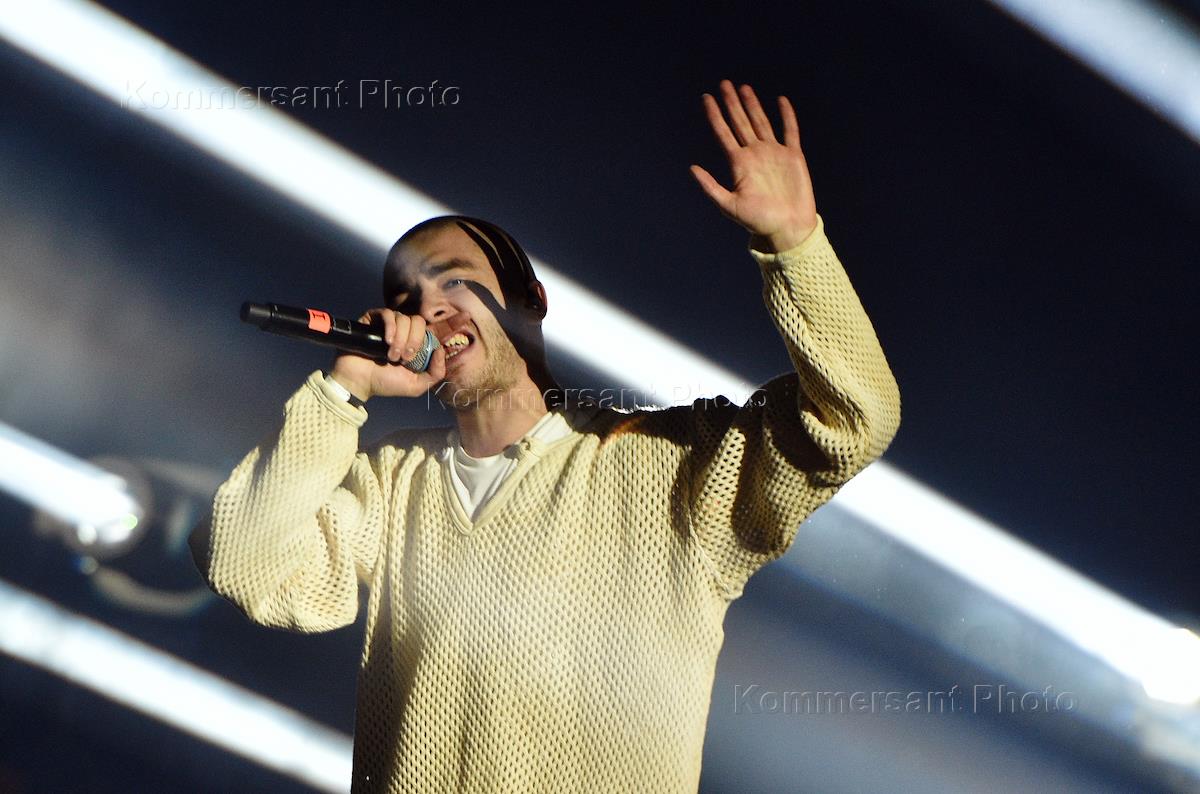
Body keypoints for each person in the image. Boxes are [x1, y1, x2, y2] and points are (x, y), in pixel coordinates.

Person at [191, 80, 901, 793]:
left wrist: (794, 244)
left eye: (453, 283)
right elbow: (245, 565)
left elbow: (853, 419)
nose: (429, 309)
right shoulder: (390, 479)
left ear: (530, 301)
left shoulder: (665, 464)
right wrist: (344, 388)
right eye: (408, 300)